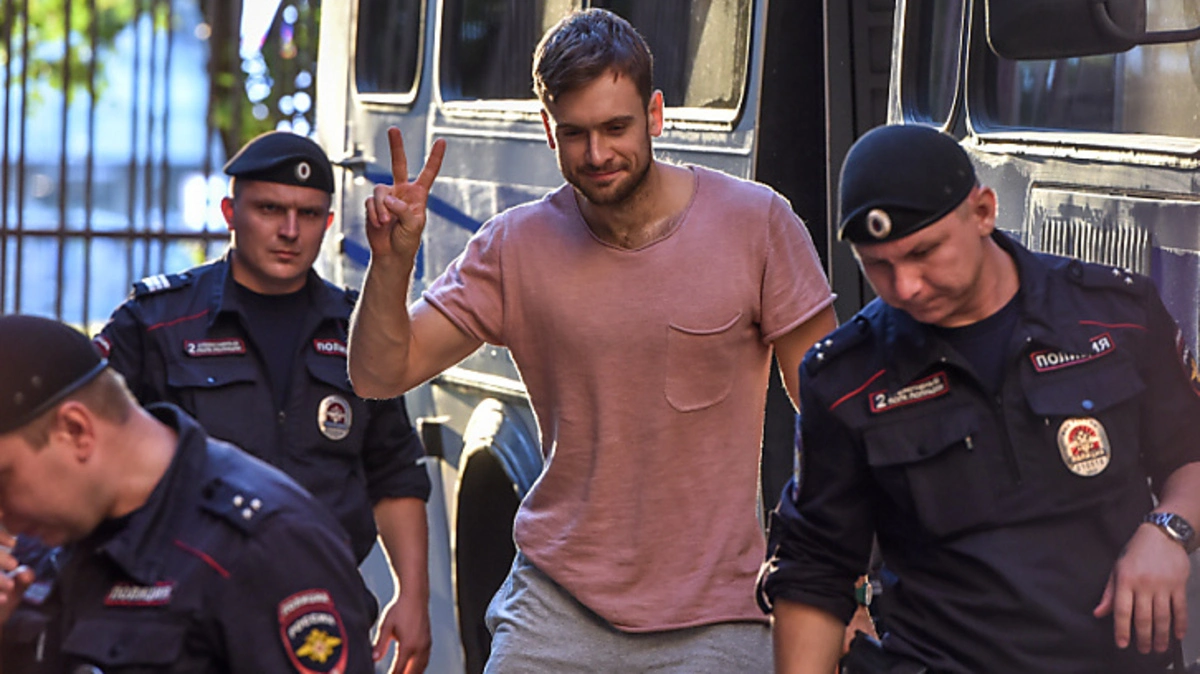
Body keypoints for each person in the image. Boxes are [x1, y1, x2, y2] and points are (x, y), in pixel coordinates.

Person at [349, 8, 838, 673]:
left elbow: (832, 412)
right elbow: (380, 374)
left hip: (718, 614)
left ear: (655, 115)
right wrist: (390, 264)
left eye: (615, 128)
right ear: (549, 128)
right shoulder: (514, 246)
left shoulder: (758, 225)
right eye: (575, 133)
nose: (598, 154)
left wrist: (840, 579)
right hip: (556, 606)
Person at [760, 124, 1200, 674]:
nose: (906, 286)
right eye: (878, 265)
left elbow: (1189, 456)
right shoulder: (848, 378)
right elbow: (814, 570)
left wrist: (1168, 531)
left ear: (984, 212)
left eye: (924, 252)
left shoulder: (1115, 315)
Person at [93, 131, 433, 673]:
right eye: (270, 209)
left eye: (309, 214)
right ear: (231, 213)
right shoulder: (158, 323)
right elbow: (82, 441)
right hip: (185, 617)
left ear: (328, 221)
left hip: (321, 621)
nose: (290, 231)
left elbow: (393, 474)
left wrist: (412, 595)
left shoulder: (357, 330)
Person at [0, 314, 375, 673]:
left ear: (75, 430)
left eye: (3, 480)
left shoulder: (265, 546)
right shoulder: (41, 539)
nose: (2, 513)